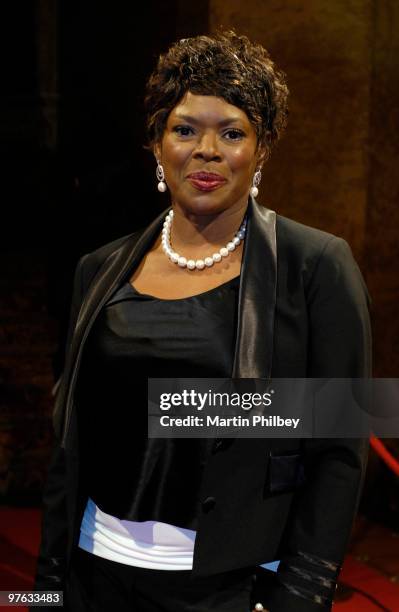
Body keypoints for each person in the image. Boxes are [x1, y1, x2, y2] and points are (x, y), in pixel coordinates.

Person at [33, 31, 372, 611]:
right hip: (95, 572)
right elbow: (71, 443)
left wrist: (302, 595)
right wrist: (46, 590)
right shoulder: (99, 269)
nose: (207, 150)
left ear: (261, 149)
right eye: (185, 129)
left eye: (232, 132)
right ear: (157, 145)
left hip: (227, 587)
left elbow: (340, 448)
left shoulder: (315, 266)